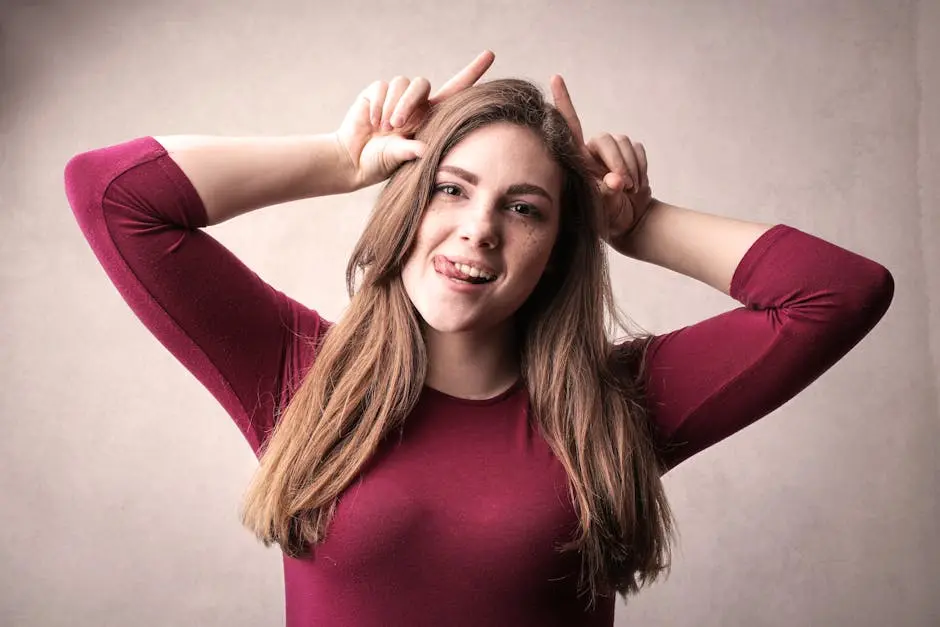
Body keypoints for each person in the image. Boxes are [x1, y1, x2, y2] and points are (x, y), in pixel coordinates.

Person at [64, 50, 894, 626]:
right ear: (406, 203)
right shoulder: (300, 374)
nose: (478, 231)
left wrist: (638, 224)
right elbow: (109, 193)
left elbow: (839, 292)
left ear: (560, 241)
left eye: (525, 207)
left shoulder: (615, 410)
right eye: (450, 191)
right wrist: (337, 158)